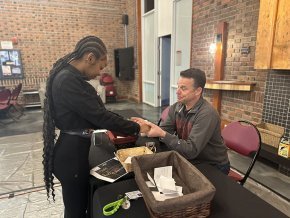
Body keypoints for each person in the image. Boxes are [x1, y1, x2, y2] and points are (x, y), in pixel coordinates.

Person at [42, 36, 149, 218]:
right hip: (71, 158)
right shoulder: (68, 80)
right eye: (100, 67)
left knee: (80, 208)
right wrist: (136, 128)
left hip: (73, 151)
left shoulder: (70, 77)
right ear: (89, 58)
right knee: (75, 212)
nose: (99, 73)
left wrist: (128, 122)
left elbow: (98, 112)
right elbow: (100, 117)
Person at [133, 68, 230, 174]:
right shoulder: (177, 107)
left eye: (183, 88)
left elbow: (191, 151)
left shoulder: (207, 114)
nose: (177, 91)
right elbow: (165, 130)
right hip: (190, 158)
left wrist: (163, 134)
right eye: (178, 86)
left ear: (198, 91)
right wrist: (146, 127)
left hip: (212, 165)